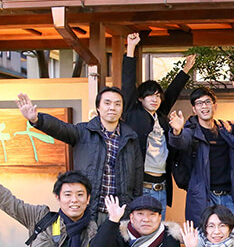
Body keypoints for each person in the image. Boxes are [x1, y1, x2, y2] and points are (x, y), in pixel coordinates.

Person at [16, 89, 143, 224]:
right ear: (98, 107)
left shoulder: (131, 138)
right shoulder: (83, 131)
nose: (112, 107)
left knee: (118, 245)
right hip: (90, 210)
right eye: (107, 103)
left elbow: (137, 175)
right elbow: (60, 128)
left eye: (117, 104)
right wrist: (37, 119)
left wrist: (135, 209)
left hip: (120, 211)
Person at [168, 58, 234, 226]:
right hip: (203, 196)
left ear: (215, 105)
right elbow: (180, 142)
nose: (204, 107)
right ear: (194, 109)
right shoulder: (191, 130)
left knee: (232, 237)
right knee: (203, 238)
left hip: (228, 195)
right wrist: (177, 131)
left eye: (207, 102)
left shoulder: (225, 128)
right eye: (199, 104)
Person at [122, 32, 194, 216]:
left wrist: (185, 70)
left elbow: (172, 92)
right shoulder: (133, 113)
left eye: (157, 96)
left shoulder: (161, 117)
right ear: (140, 98)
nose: (154, 99)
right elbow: (128, 81)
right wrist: (131, 48)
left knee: (158, 232)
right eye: (149, 95)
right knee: (140, 231)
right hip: (141, 185)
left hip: (161, 186)